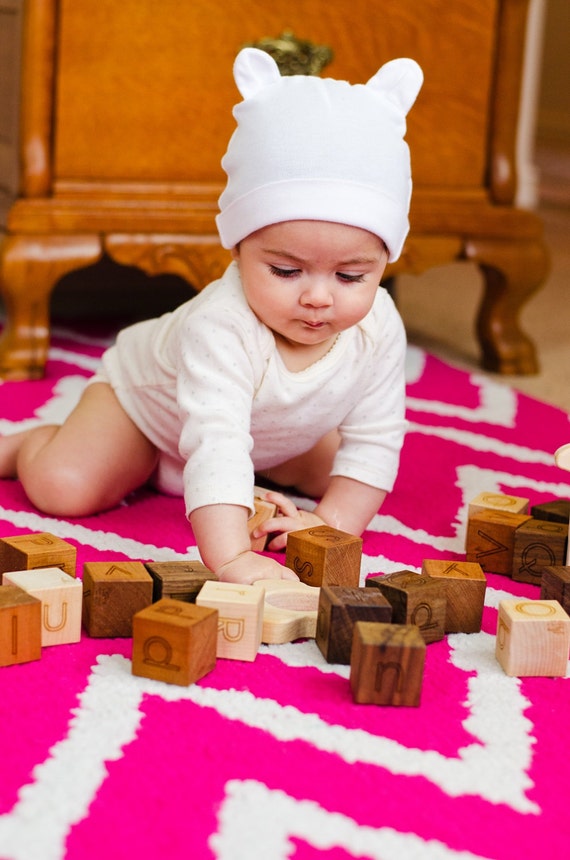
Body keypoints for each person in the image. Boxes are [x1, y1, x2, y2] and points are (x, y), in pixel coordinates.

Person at [0, 48, 423, 584]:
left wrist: (330, 524)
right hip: (151, 412)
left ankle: (199, 476)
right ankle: (26, 444)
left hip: (272, 429)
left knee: (346, 472)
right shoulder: (221, 325)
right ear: (237, 248)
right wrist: (233, 560)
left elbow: (377, 438)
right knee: (66, 486)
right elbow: (217, 440)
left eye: (350, 277)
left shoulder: (378, 323)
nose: (319, 298)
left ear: (385, 261)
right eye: (287, 271)